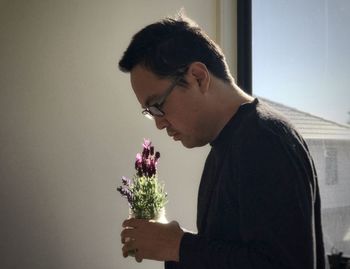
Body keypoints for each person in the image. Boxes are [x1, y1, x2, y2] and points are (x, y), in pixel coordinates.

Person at [118, 14, 325, 269]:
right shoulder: (226, 146)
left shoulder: (264, 141)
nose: (159, 123)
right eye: (150, 113)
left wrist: (178, 247)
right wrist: (172, 247)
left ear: (198, 77)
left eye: (158, 106)